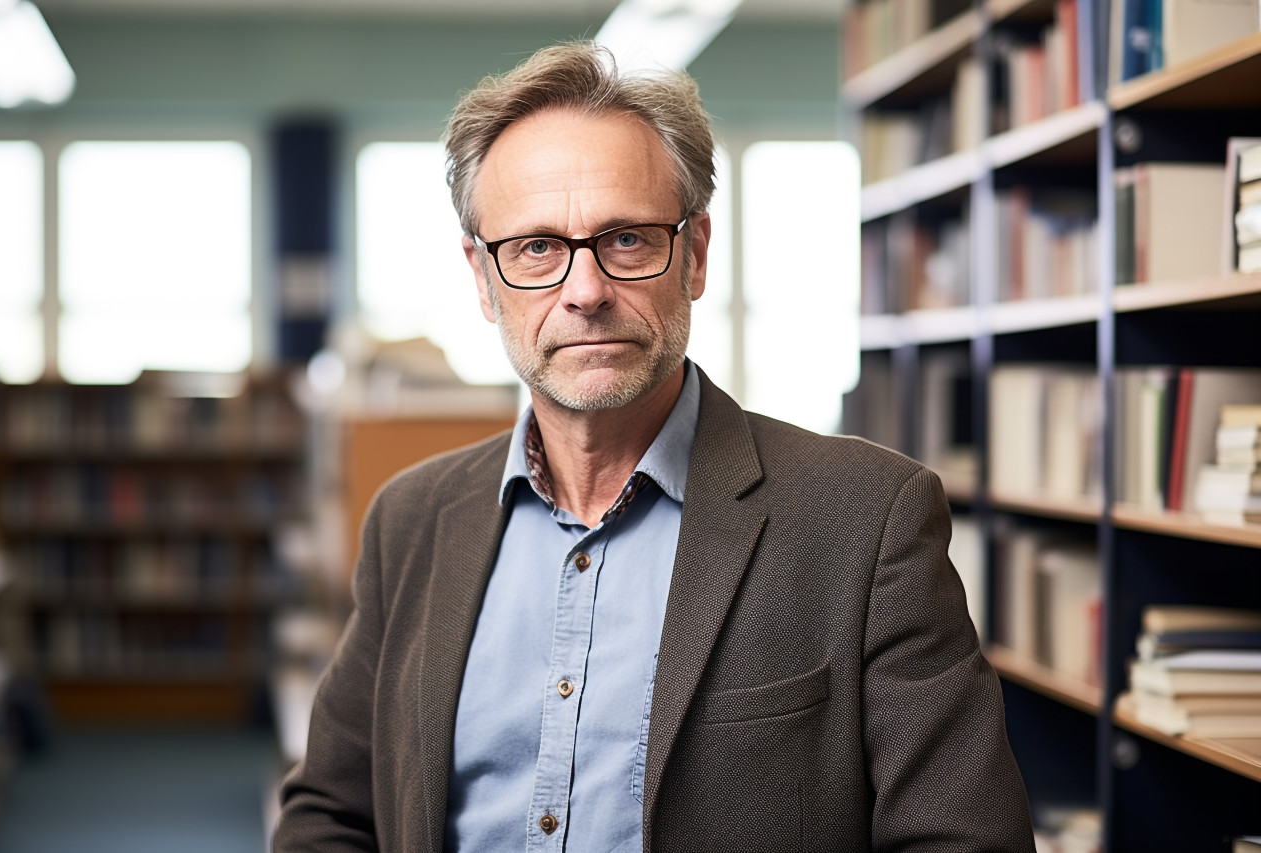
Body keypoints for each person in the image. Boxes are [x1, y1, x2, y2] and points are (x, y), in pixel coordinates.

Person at [274, 41, 1035, 853]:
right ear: (482, 279)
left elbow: (965, 840)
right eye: (536, 248)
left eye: (628, 239)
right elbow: (331, 813)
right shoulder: (412, 520)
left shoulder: (866, 521)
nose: (585, 290)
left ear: (696, 254)